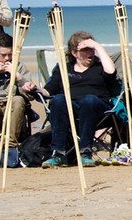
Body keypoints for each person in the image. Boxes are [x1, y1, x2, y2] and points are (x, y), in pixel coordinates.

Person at [43, 30, 119, 167]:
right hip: (72, 110)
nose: (90, 52)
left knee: (88, 100)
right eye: (85, 49)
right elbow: (48, 91)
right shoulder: (64, 68)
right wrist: (33, 88)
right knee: (58, 100)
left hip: (99, 110)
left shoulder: (99, 66)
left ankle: (85, 152)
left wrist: (98, 47)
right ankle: (59, 154)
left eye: (91, 49)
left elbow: (111, 72)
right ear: (74, 53)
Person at [0, 32, 45, 166]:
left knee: (18, 100)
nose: (7, 58)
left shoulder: (19, 66)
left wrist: (19, 78)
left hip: (12, 103)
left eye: (10, 54)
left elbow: (29, 96)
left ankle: (11, 144)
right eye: (3, 55)